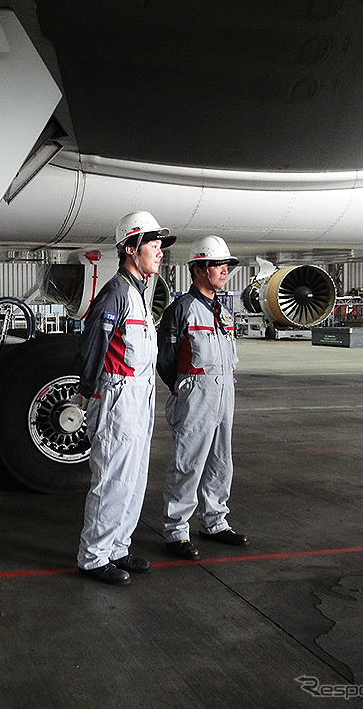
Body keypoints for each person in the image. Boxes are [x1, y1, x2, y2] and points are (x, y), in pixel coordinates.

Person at [76, 211, 176, 585]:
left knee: (134, 478)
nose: (160, 252)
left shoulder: (137, 294)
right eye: (154, 245)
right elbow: (92, 346)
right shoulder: (116, 294)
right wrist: (85, 393)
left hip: (139, 396)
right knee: (113, 479)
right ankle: (94, 556)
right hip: (118, 396)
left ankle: (118, 547)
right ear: (131, 249)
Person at [156, 235, 249, 561]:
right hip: (196, 391)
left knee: (221, 460)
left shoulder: (221, 309)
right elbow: (164, 357)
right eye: (217, 265)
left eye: (226, 265)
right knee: (188, 462)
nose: (224, 271)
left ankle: (214, 521)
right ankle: (176, 530)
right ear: (198, 268)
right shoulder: (182, 310)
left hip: (224, 390)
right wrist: (182, 388)